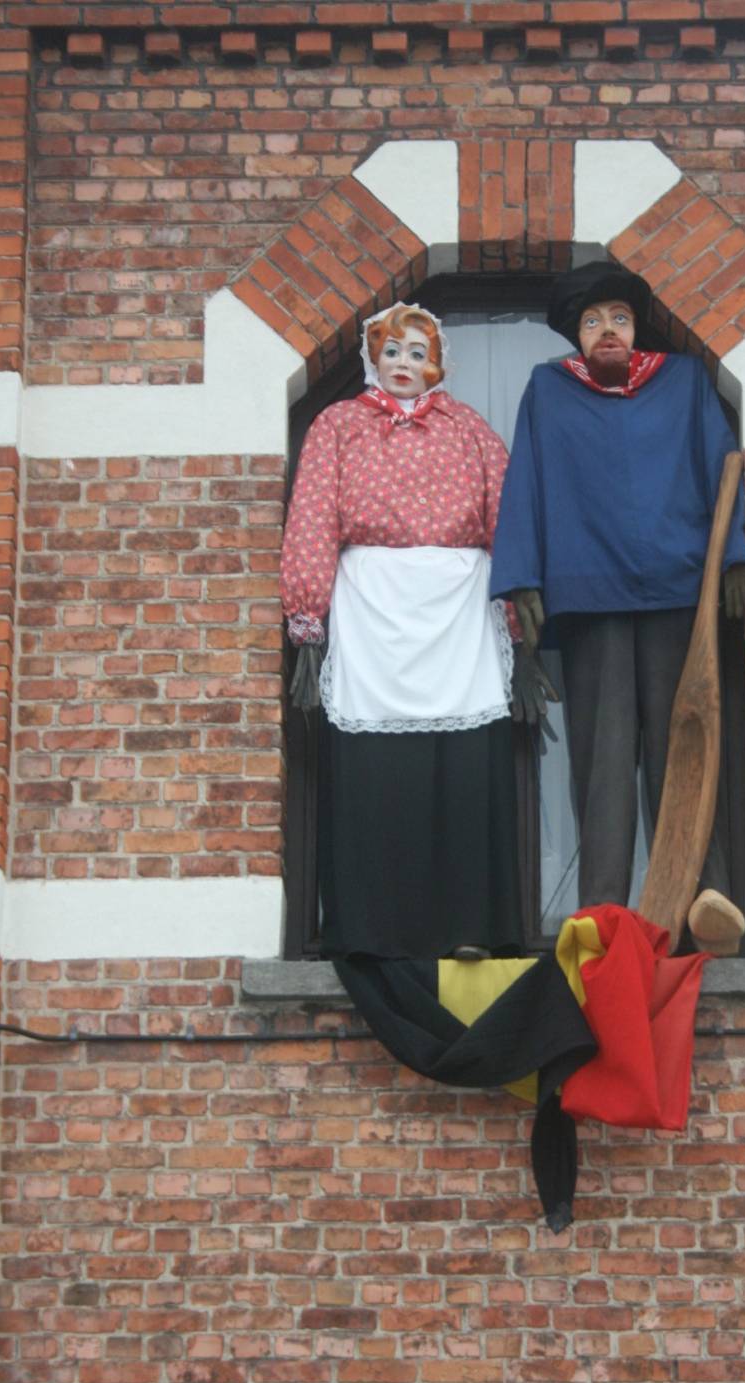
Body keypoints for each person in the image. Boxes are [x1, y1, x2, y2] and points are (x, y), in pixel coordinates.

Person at [489, 262, 745, 938]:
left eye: (619, 318)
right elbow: (526, 482)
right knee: (603, 761)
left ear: (636, 328)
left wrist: (733, 557)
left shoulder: (684, 382)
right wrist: (522, 578)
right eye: (592, 321)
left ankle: (706, 896)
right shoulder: (548, 391)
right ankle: (603, 906)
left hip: (677, 591)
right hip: (590, 595)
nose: (606, 330)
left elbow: (719, 463)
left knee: (686, 746)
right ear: (576, 336)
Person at [280, 301, 534, 959]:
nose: (403, 364)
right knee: (378, 773)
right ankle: (376, 929)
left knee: (464, 767)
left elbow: (507, 517)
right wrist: (309, 618)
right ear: (373, 357)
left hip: (459, 612)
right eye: (392, 351)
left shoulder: (469, 429)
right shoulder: (338, 426)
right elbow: (312, 517)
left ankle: (469, 925)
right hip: (372, 608)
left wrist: (518, 616)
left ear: (436, 365)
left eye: (418, 354)